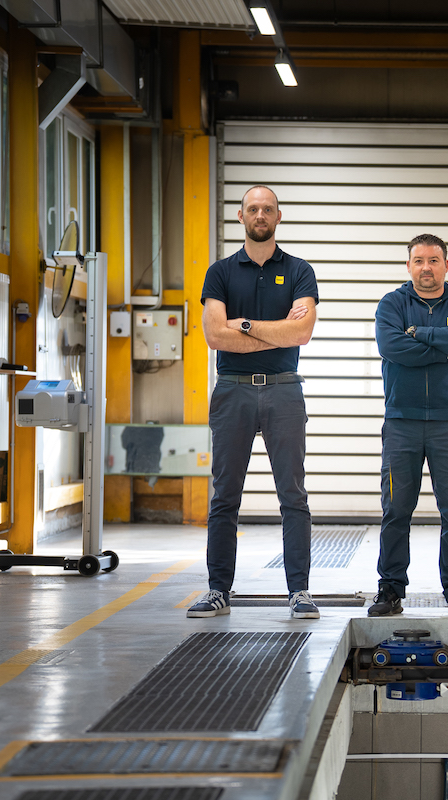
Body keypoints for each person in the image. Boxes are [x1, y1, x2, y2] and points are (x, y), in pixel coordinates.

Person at [188, 185, 320, 620]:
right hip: (233, 390)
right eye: (252, 209)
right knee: (224, 496)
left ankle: (299, 591)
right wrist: (276, 329)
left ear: (278, 216)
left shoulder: (300, 271)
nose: (260, 215)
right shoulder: (220, 272)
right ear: (240, 217)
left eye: (267, 209)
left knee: (293, 495)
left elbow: (301, 333)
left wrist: (242, 324)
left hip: (284, 389)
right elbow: (214, 335)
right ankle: (217, 590)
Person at [369, 234, 448, 617]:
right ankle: (390, 589)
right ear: (409, 266)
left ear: (446, 265)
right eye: (419, 260)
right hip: (402, 422)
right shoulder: (392, 304)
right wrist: (444, 347)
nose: (426, 268)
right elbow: (391, 347)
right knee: (396, 510)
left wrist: (419, 333)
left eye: (434, 260)